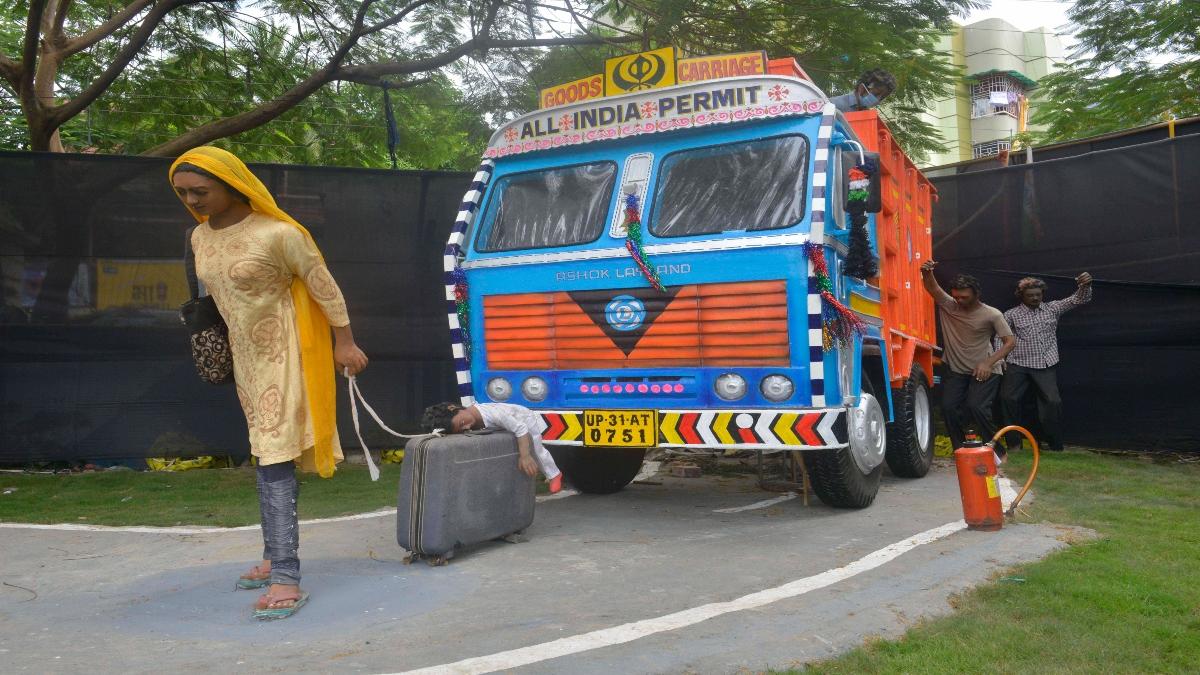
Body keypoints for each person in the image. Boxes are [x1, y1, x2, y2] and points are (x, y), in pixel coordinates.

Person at [169, 147, 368, 620]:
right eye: (182, 192)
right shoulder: (199, 237)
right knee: (265, 452)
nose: (192, 200)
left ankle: (285, 576)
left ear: (233, 184)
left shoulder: (280, 233)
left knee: (274, 458)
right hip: (246, 362)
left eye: (201, 190)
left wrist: (345, 342)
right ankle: (270, 557)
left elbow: (323, 285)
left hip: (287, 354)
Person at [920, 261, 1016, 460]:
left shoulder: (992, 314)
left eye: (964, 297)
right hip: (956, 369)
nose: (959, 300)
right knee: (948, 408)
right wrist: (927, 272)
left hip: (985, 369)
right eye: (956, 296)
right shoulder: (949, 305)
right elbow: (932, 288)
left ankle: (997, 451)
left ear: (976, 294)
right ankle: (961, 450)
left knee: (977, 407)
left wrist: (988, 363)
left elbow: (1010, 342)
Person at [1001, 273, 1093, 452]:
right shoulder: (1011, 314)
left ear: (1042, 293)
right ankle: (1014, 444)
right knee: (1008, 399)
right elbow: (1001, 337)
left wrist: (1085, 285)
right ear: (1021, 296)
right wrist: (1000, 359)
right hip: (1017, 363)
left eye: (1038, 294)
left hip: (1045, 364)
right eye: (1030, 295)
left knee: (1052, 402)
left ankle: (1054, 445)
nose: (1035, 298)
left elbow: (1078, 299)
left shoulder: (1052, 308)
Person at [422, 402, 563, 494]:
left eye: (462, 422)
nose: (467, 426)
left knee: (536, 449)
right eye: (461, 428)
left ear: (454, 408)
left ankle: (553, 474)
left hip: (523, 419)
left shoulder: (493, 414)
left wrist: (525, 456)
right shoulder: (467, 419)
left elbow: (521, 429)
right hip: (503, 426)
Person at [830, 68, 897, 113]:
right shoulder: (832, 105)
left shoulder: (866, 114)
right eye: (876, 94)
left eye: (882, 97)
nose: (878, 100)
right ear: (862, 88)